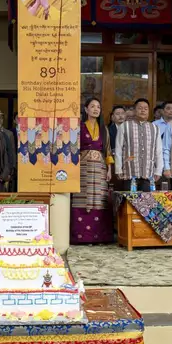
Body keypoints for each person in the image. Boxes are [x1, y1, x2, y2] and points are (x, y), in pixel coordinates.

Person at [71, 98, 114, 245]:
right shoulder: (79, 127)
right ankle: (81, 236)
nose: (96, 109)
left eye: (98, 107)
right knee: (83, 198)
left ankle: (99, 236)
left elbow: (108, 150)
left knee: (99, 199)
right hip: (82, 168)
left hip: (100, 169)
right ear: (86, 109)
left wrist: (109, 169)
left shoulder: (104, 129)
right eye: (92, 106)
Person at [114, 98, 162, 191]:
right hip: (129, 173)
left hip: (148, 174)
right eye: (140, 108)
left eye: (146, 108)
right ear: (135, 110)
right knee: (129, 203)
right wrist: (118, 169)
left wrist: (158, 170)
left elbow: (158, 151)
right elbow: (118, 149)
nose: (143, 110)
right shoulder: (125, 126)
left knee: (146, 203)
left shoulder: (155, 128)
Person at [0, 108, 16, 191]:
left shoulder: (7, 134)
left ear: (1, 120)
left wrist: (10, 172)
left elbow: (11, 153)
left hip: (4, 169)